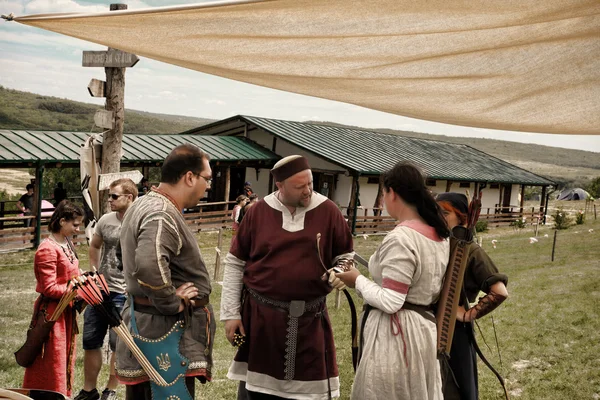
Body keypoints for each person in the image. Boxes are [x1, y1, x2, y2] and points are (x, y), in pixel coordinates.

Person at [221, 154, 353, 399]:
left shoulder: (329, 211)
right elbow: (235, 263)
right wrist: (230, 315)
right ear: (279, 186)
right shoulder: (258, 212)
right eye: (300, 186)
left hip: (310, 323)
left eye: (310, 183)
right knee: (257, 392)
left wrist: (341, 270)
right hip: (262, 322)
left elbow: (345, 255)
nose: (308, 191)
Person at [336, 162, 451, 400]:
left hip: (397, 338)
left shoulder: (402, 237)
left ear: (392, 193)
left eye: (383, 193)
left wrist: (356, 280)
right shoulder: (437, 233)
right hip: (420, 331)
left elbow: (392, 300)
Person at [116, 144, 216, 400]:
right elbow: (149, 266)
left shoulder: (143, 205)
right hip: (165, 333)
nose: (208, 186)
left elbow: (123, 257)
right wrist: (173, 301)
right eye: (207, 179)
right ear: (190, 177)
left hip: (150, 325)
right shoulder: (161, 212)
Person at [436, 192, 509, 400]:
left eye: (445, 212)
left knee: (455, 389)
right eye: (436, 211)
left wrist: (468, 315)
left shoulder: (472, 250)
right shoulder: (436, 244)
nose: (439, 216)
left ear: (462, 218)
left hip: (455, 334)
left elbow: (499, 291)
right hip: (429, 328)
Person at [74, 179, 138, 400]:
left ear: (129, 197)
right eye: (109, 196)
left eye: (114, 196)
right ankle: (89, 390)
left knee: (116, 344)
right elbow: (95, 245)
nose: (109, 200)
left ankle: (111, 389)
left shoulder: (139, 220)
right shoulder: (105, 220)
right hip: (98, 290)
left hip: (124, 292)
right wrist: (94, 272)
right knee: (91, 340)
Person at [22, 200, 85, 397]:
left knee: (64, 358)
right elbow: (49, 287)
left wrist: (83, 280)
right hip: (51, 314)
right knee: (51, 360)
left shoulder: (67, 242)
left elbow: (71, 274)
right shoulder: (47, 249)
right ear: (61, 221)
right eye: (74, 224)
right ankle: (48, 395)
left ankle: (62, 395)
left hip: (65, 311)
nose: (77, 228)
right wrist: (77, 290)